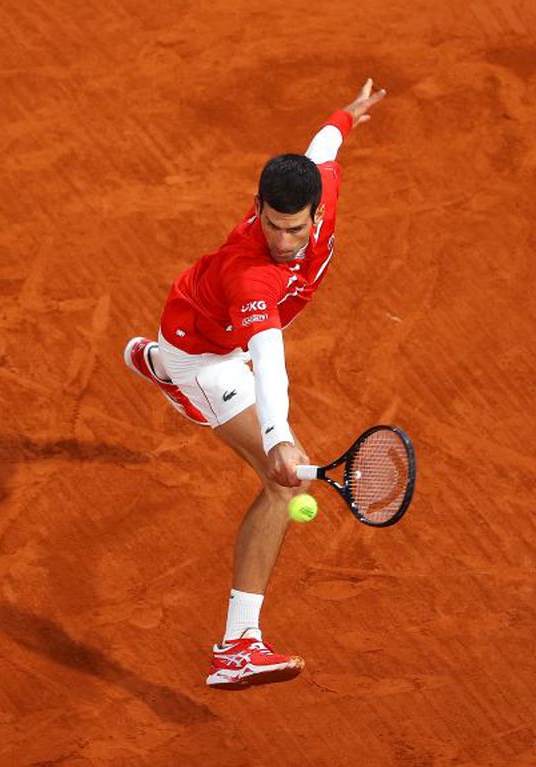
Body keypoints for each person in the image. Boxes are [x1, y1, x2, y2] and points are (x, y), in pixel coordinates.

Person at [123, 79, 387, 689]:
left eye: (296, 229)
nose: (285, 241)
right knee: (277, 487)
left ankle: (154, 362)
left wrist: (345, 115)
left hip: (209, 325)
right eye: (272, 226)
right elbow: (269, 356)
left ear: (317, 210)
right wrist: (279, 438)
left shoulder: (322, 189)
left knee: (269, 451)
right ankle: (237, 647)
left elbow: (322, 150)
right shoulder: (251, 273)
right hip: (207, 353)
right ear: (258, 208)